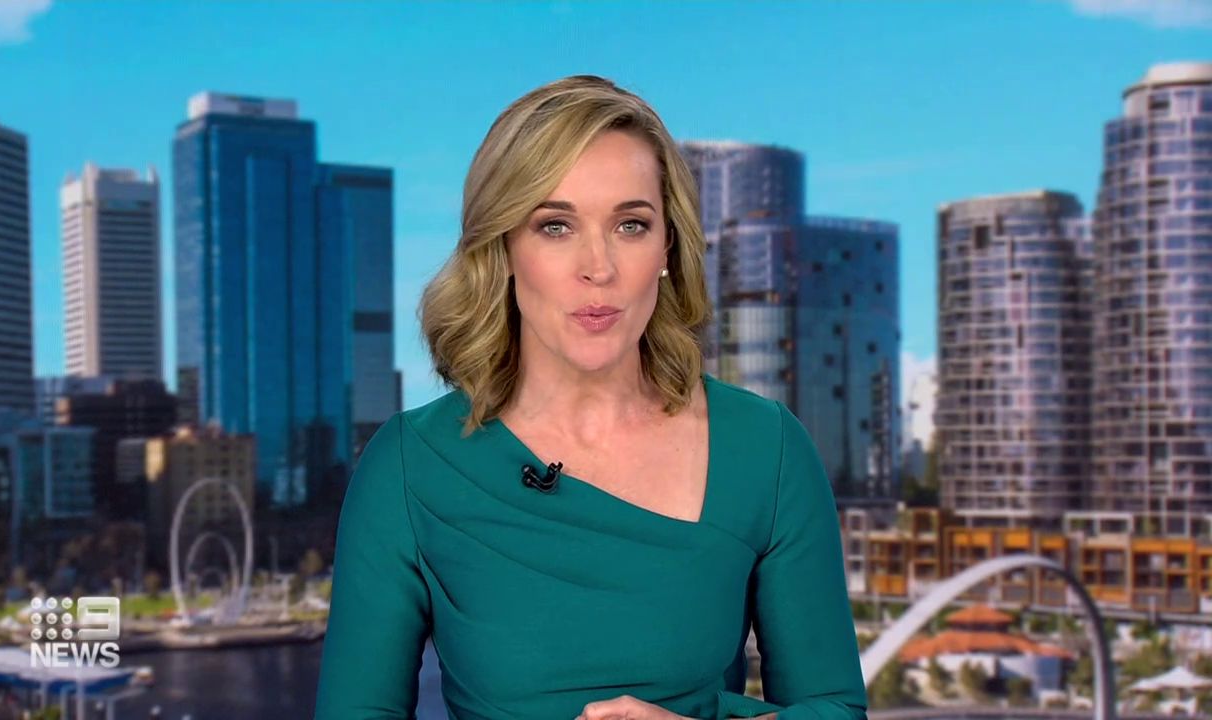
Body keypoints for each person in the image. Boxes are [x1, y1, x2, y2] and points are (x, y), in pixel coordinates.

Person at [314, 74, 867, 720]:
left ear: (667, 247)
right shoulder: (409, 468)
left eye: (631, 225)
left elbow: (834, 708)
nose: (598, 268)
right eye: (555, 226)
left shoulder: (765, 448)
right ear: (503, 247)